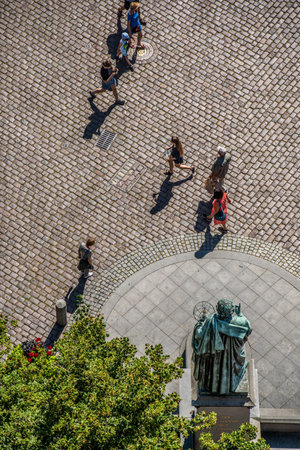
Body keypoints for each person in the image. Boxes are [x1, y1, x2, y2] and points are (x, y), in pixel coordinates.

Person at [193, 299, 252, 394]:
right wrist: (240, 314)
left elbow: (199, 336)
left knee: (215, 371)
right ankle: (231, 385)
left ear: (217, 309)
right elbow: (248, 329)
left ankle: (214, 387)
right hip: (232, 357)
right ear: (232, 311)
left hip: (215, 359)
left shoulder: (210, 321)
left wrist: (199, 325)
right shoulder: (238, 322)